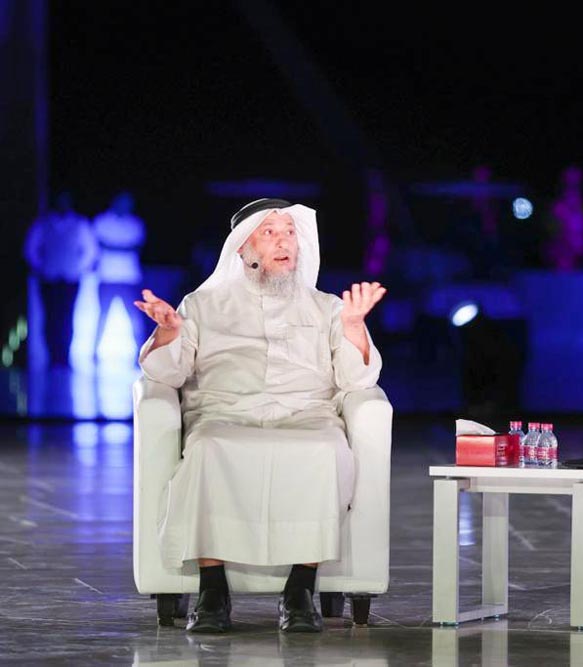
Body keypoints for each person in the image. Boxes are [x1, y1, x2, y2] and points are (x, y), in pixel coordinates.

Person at [134, 199, 386, 634]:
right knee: (208, 447)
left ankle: (300, 589)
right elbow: (166, 373)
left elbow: (356, 380)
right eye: (269, 233)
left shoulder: (326, 307)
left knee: (326, 448)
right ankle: (212, 591)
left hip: (305, 415)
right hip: (226, 414)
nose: (283, 241)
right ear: (243, 248)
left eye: (289, 232)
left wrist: (353, 327)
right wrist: (169, 333)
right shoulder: (202, 304)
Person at [23, 192, 99, 367]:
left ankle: (64, 357)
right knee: (49, 317)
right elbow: (31, 248)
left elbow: (90, 251)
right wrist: (41, 266)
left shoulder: (80, 224)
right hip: (49, 277)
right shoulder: (44, 223)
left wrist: (76, 268)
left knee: (67, 317)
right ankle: (51, 357)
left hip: (70, 278)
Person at [93, 192, 148, 357]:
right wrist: (123, 248)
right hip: (106, 277)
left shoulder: (136, 224)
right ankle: (94, 353)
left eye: (128, 203)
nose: (125, 206)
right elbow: (98, 245)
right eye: (122, 202)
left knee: (134, 317)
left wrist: (110, 246)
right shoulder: (101, 221)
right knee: (102, 316)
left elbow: (136, 246)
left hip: (129, 278)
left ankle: (140, 353)